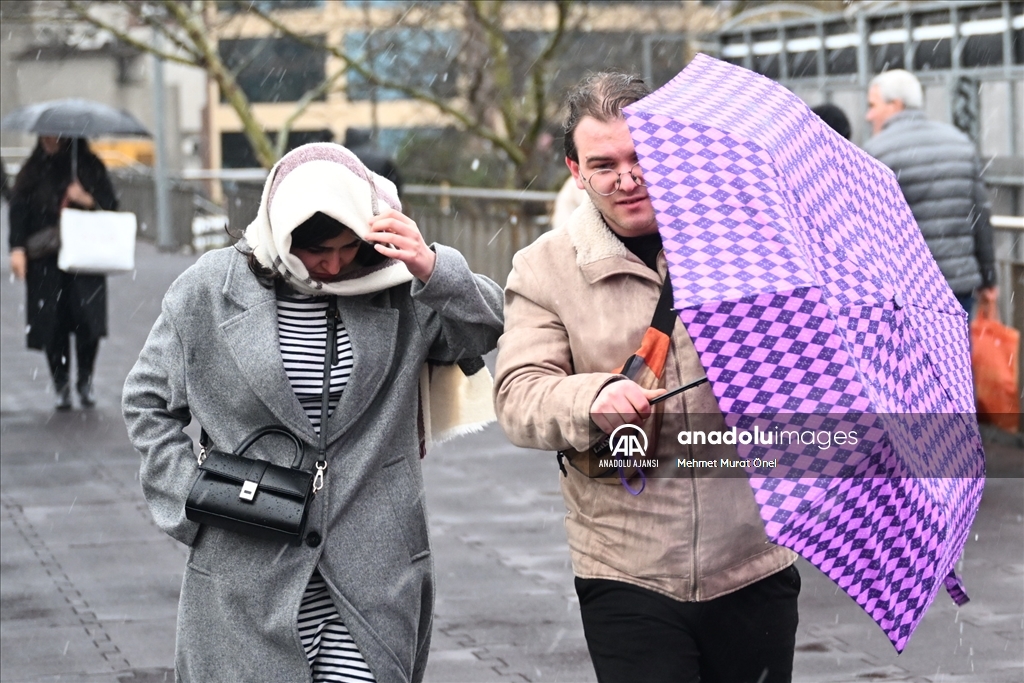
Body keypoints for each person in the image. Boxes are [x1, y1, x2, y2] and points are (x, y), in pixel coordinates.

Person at [122, 142, 503, 682]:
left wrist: (433, 267)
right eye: (317, 249)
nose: (335, 264)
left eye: (348, 246)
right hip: (247, 569)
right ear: (283, 231)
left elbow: (484, 330)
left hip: (372, 567)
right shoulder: (209, 289)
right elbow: (147, 401)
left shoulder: (398, 288)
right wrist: (190, 502)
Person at [494, 73, 800, 683]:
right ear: (575, 170)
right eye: (604, 164)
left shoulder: (743, 246)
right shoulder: (545, 268)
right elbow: (519, 394)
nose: (627, 178)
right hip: (622, 563)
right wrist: (594, 396)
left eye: (642, 157)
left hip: (751, 557)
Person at [863, 69, 998, 317]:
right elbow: (980, 216)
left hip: (908, 288)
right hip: (958, 283)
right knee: (955, 353)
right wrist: (989, 278)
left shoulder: (876, 152)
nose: (868, 115)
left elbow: (869, 230)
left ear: (895, 104)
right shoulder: (960, 143)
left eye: (873, 105)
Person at [8, 136, 117, 409]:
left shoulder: (89, 166)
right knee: (51, 323)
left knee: (87, 324)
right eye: (45, 134)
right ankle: (61, 385)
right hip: (46, 260)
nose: (49, 140)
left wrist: (86, 198)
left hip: (84, 257)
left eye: (55, 134)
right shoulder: (32, 170)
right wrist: (17, 247)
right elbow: (18, 210)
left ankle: (84, 380)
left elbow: (112, 206)